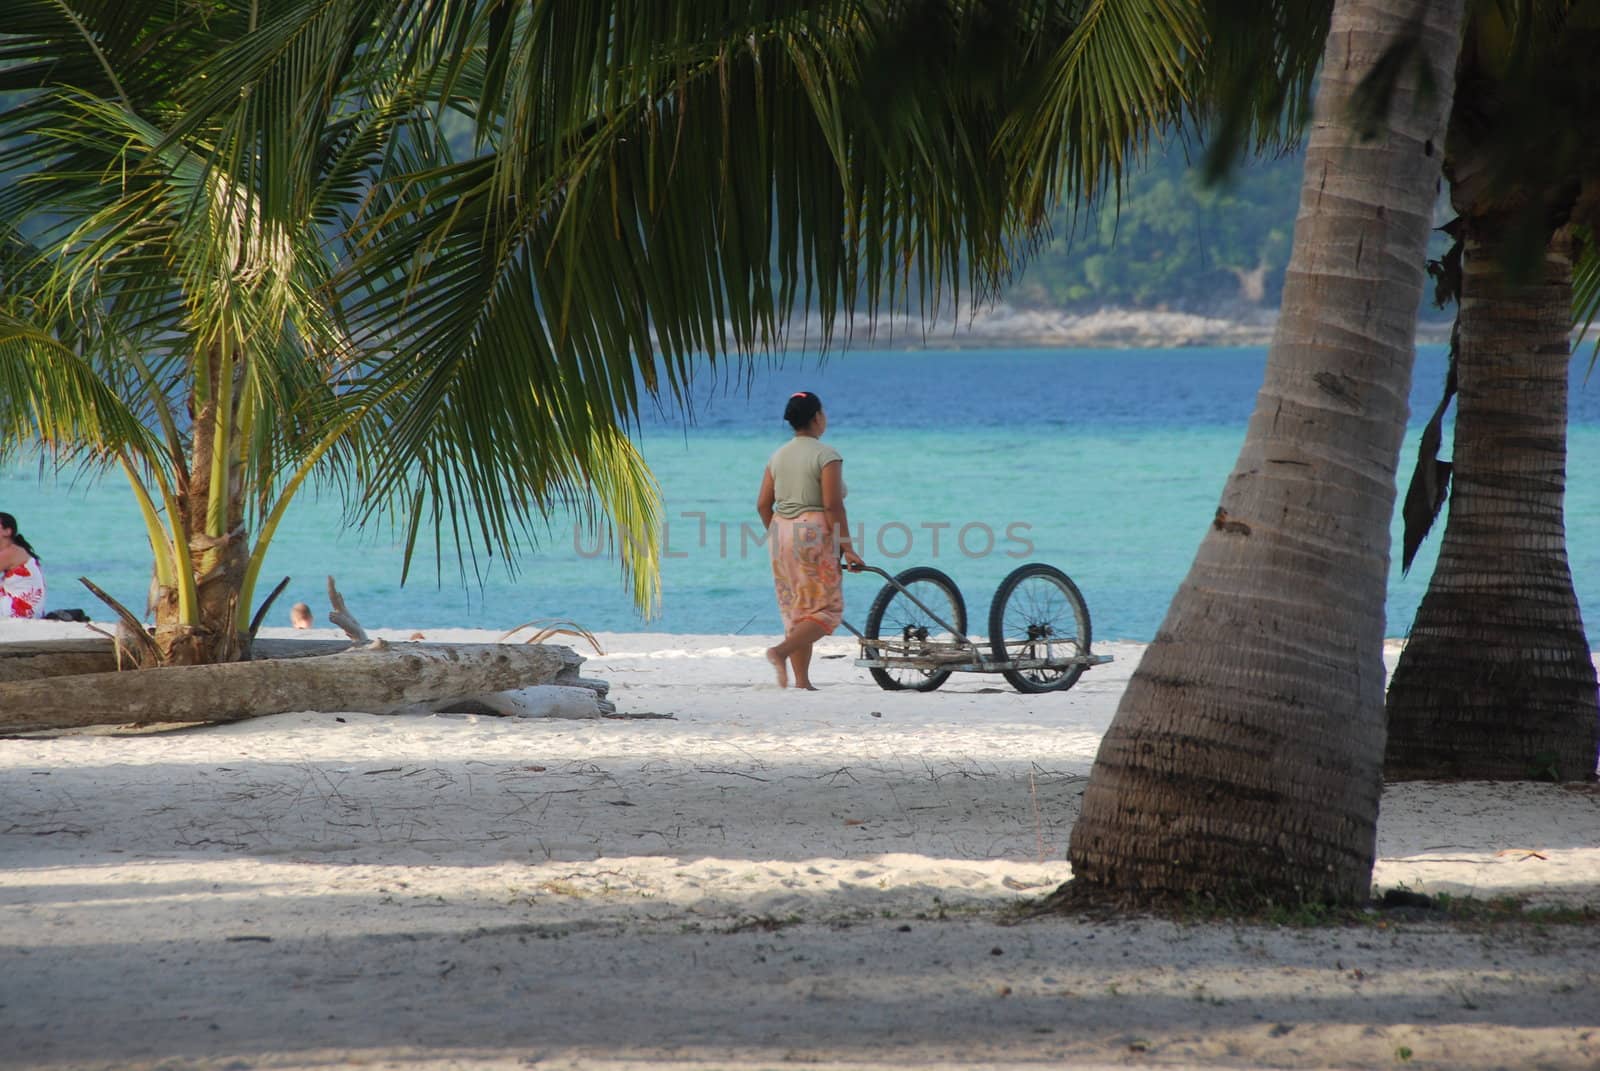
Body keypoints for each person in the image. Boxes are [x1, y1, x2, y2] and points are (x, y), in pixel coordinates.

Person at [756, 391, 866, 689]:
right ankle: (780, 652)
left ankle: (802, 682)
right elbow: (832, 505)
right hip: (813, 532)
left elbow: (763, 504)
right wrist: (848, 548)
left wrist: (780, 534)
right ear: (817, 417)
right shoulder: (826, 455)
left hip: (780, 532)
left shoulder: (777, 456)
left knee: (797, 608)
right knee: (828, 611)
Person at [0, 512, 46, 619]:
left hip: (21, 609)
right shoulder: (14, 550)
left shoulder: (12, 552)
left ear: (7, 532)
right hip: (29, 609)